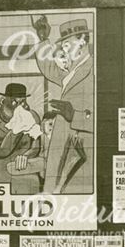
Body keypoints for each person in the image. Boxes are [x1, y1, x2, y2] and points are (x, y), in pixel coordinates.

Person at [31, 15, 94, 193]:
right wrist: (43, 39)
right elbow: (49, 69)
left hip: (81, 146)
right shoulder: (73, 70)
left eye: (67, 44)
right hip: (64, 141)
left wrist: (75, 116)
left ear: (82, 42)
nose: (64, 50)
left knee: (69, 189)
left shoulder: (93, 69)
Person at [0, 82, 43, 194]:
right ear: (3, 101)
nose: (19, 106)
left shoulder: (33, 116)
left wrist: (26, 156)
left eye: (22, 102)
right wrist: (16, 129)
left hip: (24, 165)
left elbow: (36, 146)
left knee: (32, 183)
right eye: (15, 102)